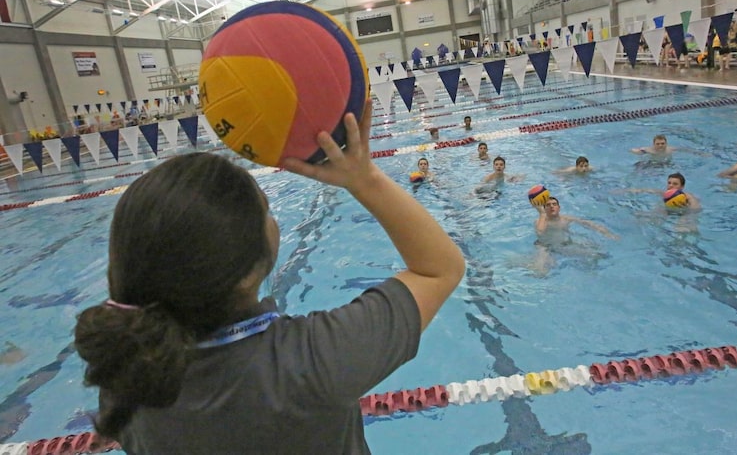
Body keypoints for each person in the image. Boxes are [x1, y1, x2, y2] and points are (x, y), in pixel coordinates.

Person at [73, 102, 466, 453]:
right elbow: (440, 268)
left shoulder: (125, 379)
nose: (272, 219)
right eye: (265, 211)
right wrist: (365, 179)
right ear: (245, 274)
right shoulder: (315, 360)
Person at [534, 196, 618, 239]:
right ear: (544, 209)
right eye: (548, 205)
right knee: (542, 270)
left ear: (559, 207)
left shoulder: (566, 219)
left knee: (594, 254)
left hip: (564, 244)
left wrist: (606, 233)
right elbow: (540, 232)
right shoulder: (540, 221)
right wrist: (542, 214)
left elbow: (587, 223)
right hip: (545, 247)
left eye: (554, 204)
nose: (552, 206)